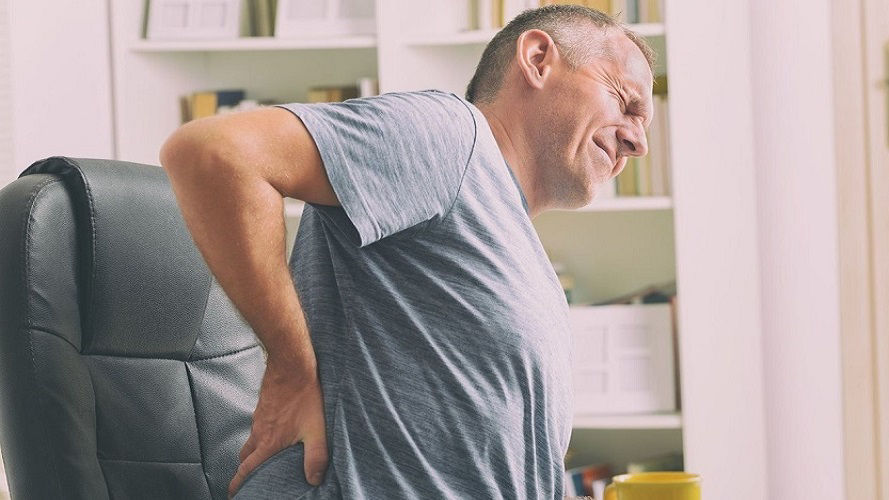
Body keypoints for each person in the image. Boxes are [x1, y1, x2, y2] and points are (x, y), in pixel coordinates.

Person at [159, 4, 654, 499]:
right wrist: (291, 368)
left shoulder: (521, 248)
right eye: (625, 102)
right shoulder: (452, 136)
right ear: (539, 59)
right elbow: (214, 153)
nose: (639, 142)